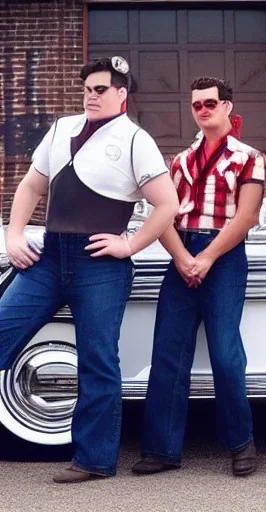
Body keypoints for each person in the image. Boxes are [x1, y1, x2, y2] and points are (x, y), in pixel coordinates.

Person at [0, 56, 178, 483]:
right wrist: (14, 234)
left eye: (101, 89)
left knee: (98, 361)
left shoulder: (136, 140)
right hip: (49, 256)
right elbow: (31, 185)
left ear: (122, 94)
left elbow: (167, 203)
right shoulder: (61, 128)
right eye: (87, 89)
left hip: (100, 264)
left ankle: (94, 461)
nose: (91, 96)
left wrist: (130, 244)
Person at [132, 76, 264, 477]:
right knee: (168, 354)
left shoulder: (248, 157)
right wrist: (183, 258)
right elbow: (163, 214)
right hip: (181, 252)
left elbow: (247, 217)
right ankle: (161, 449)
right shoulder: (180, 160)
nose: (203, 110)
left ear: (227, 106)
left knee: (226, 355)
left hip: (222, 256)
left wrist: (204, 258)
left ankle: (241, 443)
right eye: (197, 105)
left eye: (210, 103)